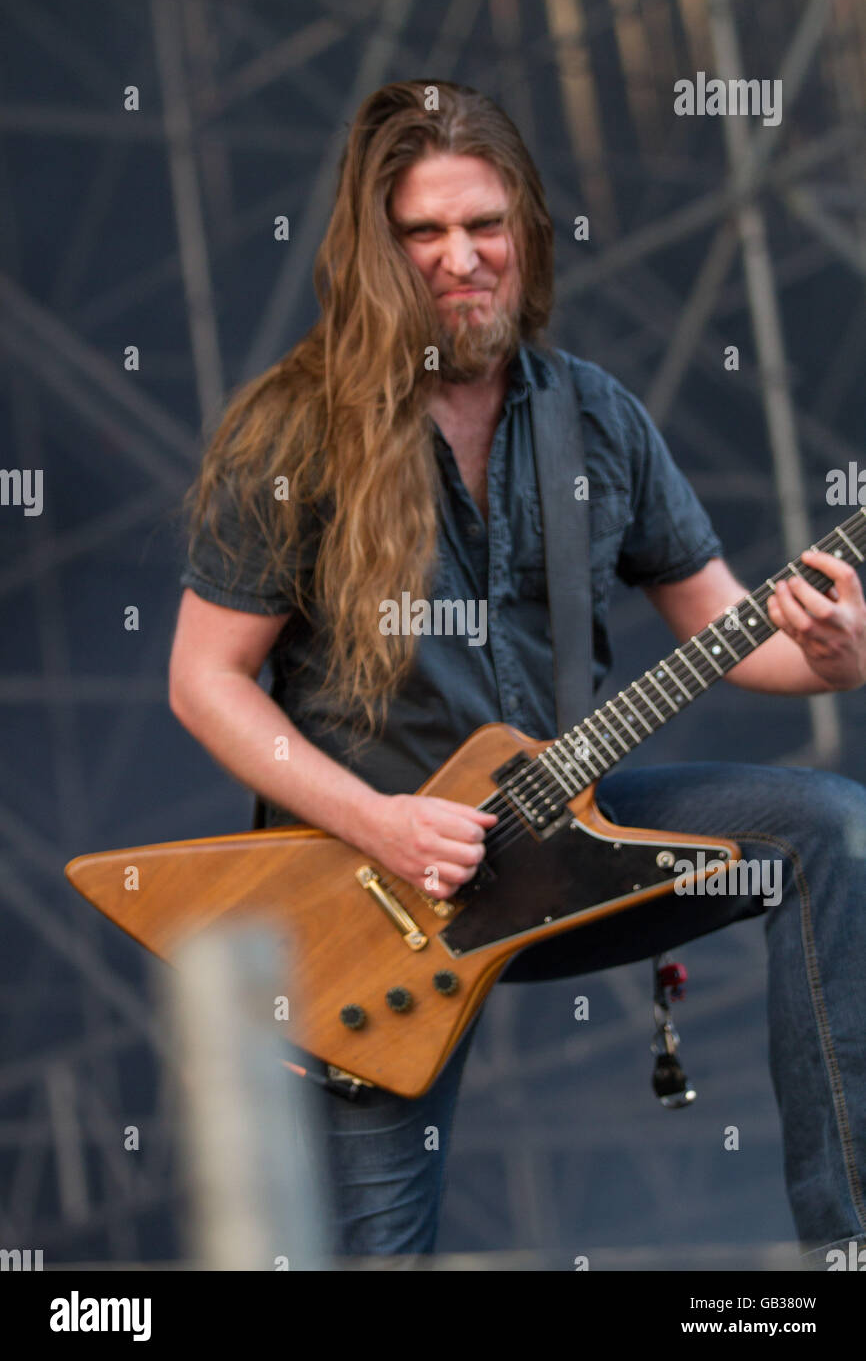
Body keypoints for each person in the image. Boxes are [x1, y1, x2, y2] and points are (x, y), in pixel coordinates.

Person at [169, 79, 866, 1266]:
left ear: (525, 233)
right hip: (367, 901)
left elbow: (721, 623)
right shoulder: (291, 431)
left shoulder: (592, 418)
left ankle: (844, 1246)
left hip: (561, 839)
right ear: (376, 249)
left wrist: (837, 656)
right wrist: (379, 822)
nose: (461, 259)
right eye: (423, 233)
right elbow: (203, 679)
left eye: (484, 225)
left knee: (829, 830)